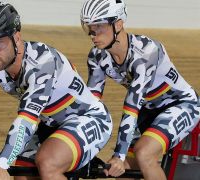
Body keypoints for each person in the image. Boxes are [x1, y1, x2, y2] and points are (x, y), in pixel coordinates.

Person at [0, 2, 113, 180]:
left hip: (90, 119)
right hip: (51, 125)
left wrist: (1, 164)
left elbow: (26, 119)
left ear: (16, 38)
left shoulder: (43, 62)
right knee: (21, 171)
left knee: (47, 163)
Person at [80, 0, 200, 179]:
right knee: (125, 170)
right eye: (89, 27)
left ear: (118, 24)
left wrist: (118, 155)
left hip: (181, 104)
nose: (92, 33)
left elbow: (131, 107)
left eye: (99, 26)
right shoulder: (97, 56)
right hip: (148, 109)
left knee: (144, 154)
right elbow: (91, 103)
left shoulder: (146, 52)